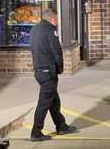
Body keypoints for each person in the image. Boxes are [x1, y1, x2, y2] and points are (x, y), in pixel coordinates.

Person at [29, 10, 77, 141]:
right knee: (44, 102)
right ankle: (36, 132)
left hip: (39, 70)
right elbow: (56, 49)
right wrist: (60, 66)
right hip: (48, 70)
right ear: (52, 18)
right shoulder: (50, 29)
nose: (57, 21)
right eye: (56, 18)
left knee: (54, 100)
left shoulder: (35, 29)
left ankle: (61, 126)